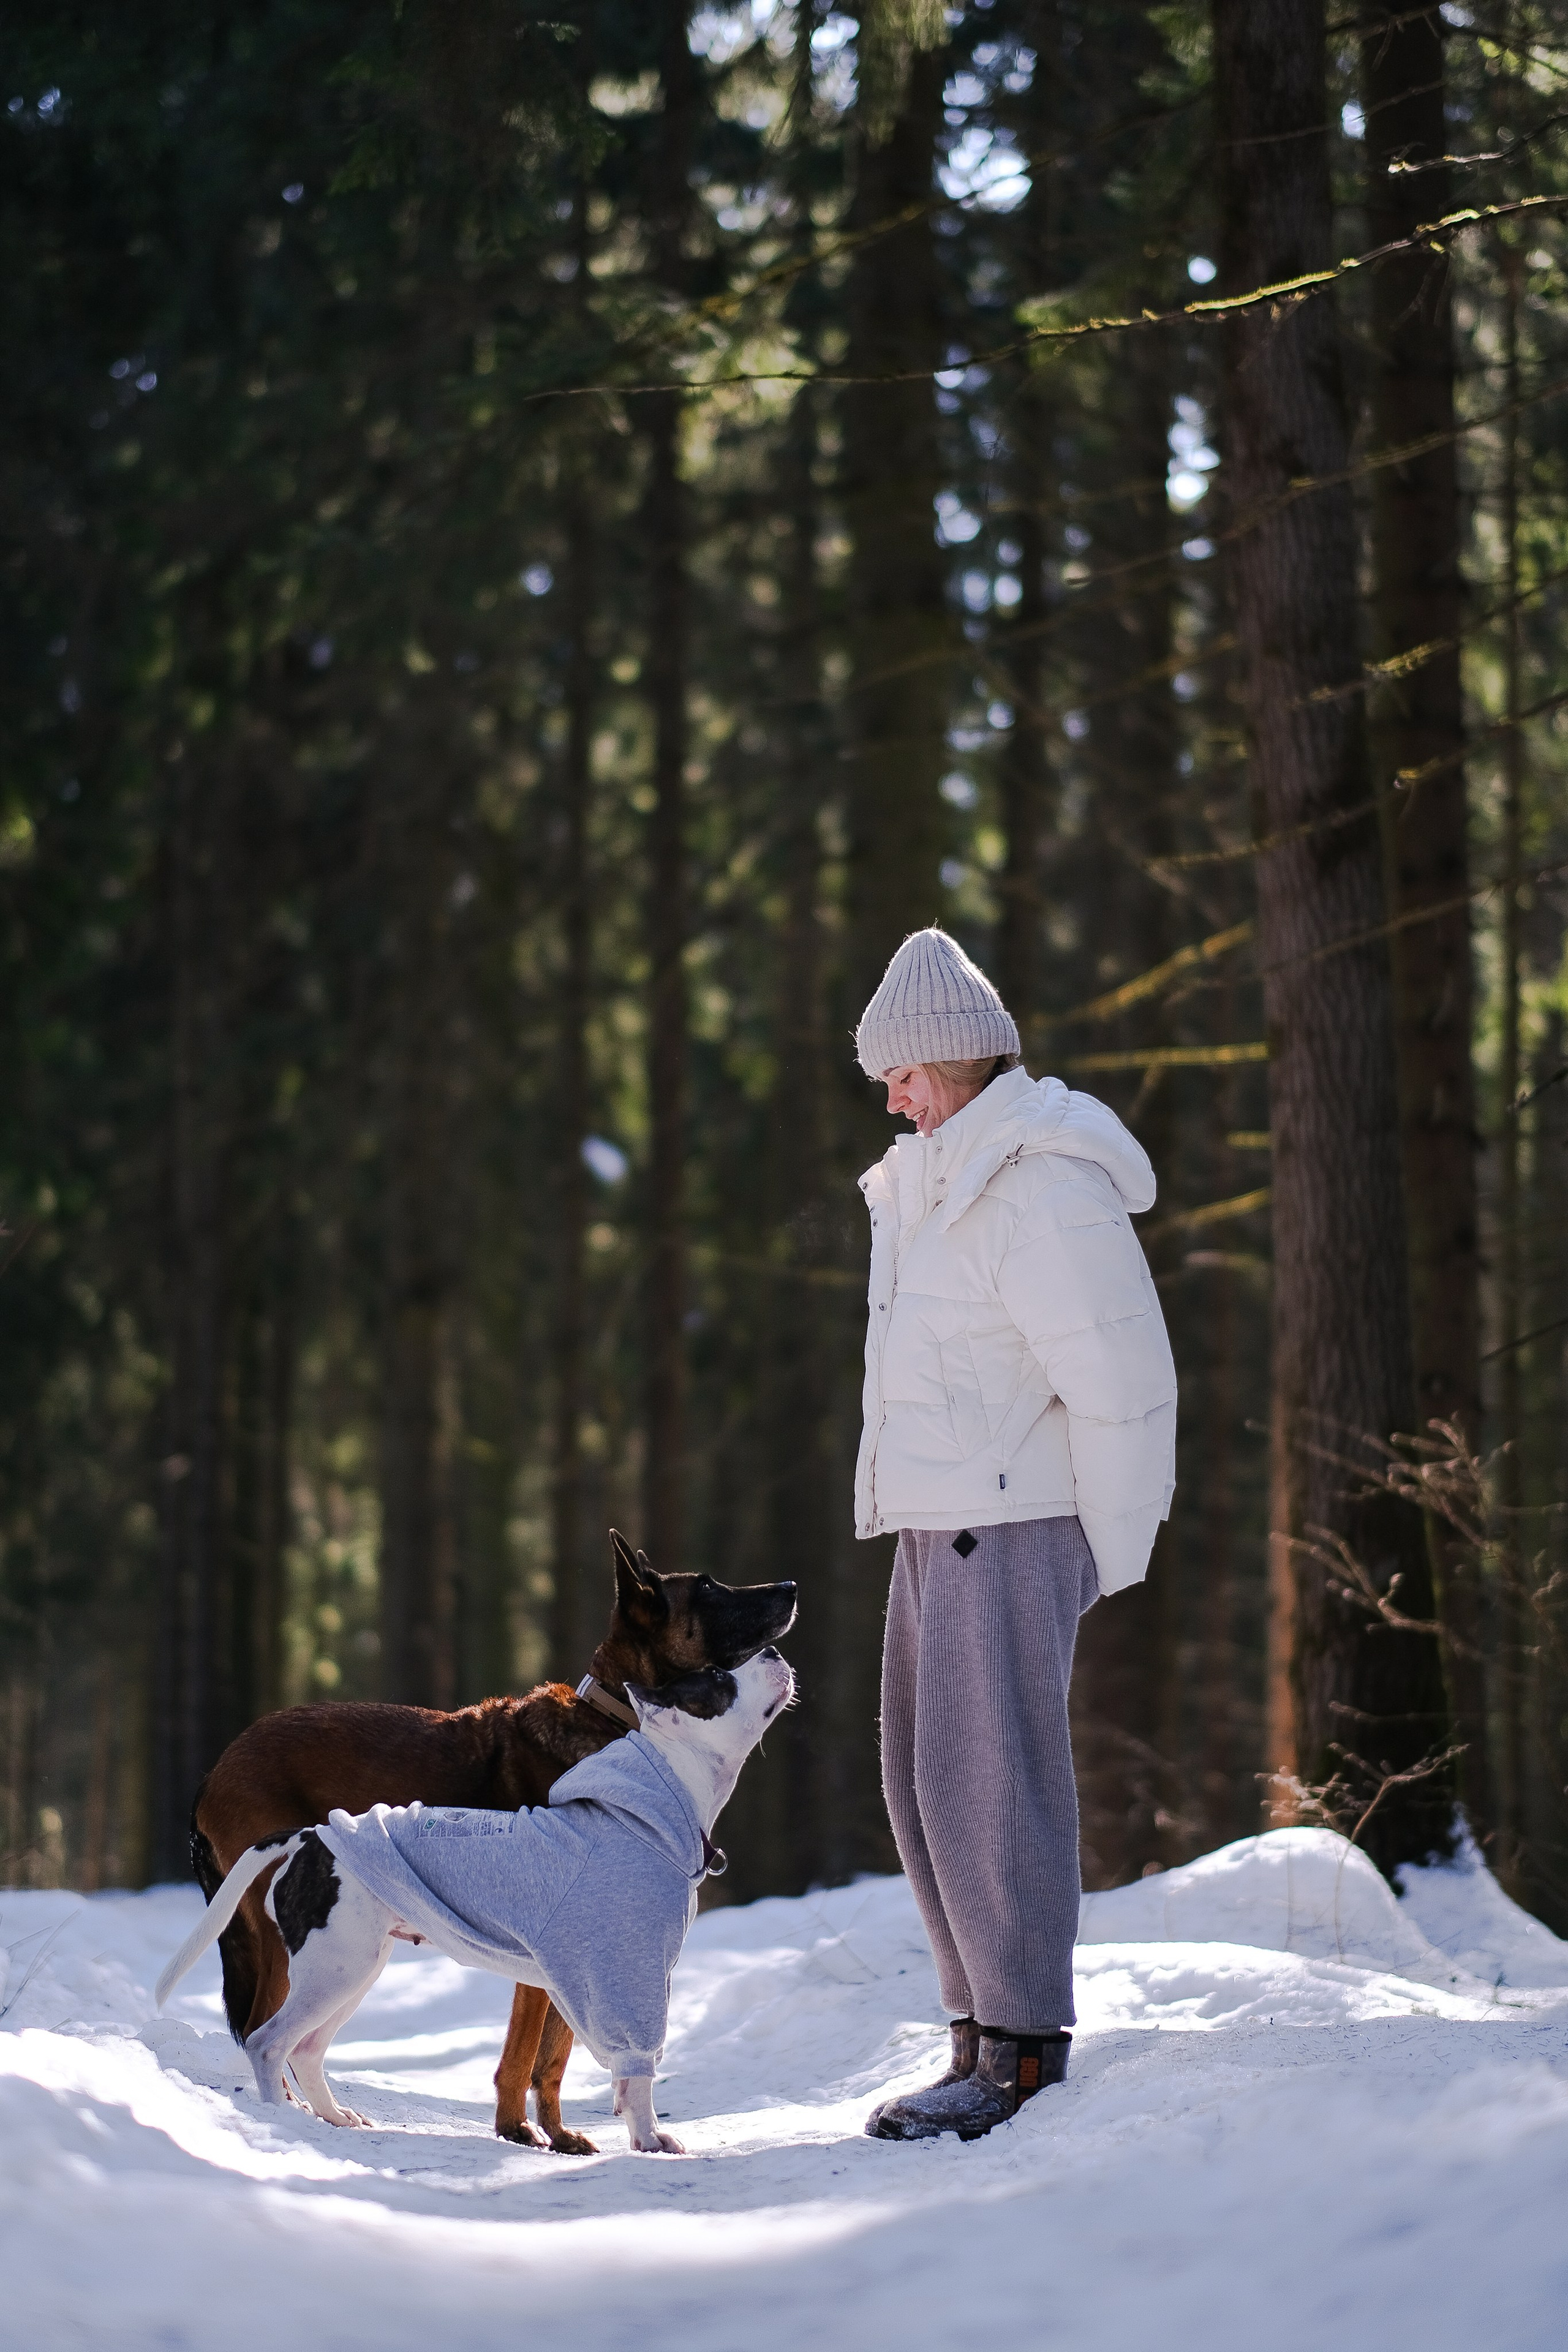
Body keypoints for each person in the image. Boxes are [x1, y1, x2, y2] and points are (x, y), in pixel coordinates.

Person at [854, 927, 1177, 2143]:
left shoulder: (1035, 1182)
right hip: (939, 1523)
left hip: (1014, 1521)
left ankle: (1024, 2049)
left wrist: (1107, 1543)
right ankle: (975, 2038)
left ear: (955, 1056)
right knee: (926, 1785)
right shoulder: (933, 1182)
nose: (889, 1097)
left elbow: (1122, 1377)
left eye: (901, 1073)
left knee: (993, 1788)